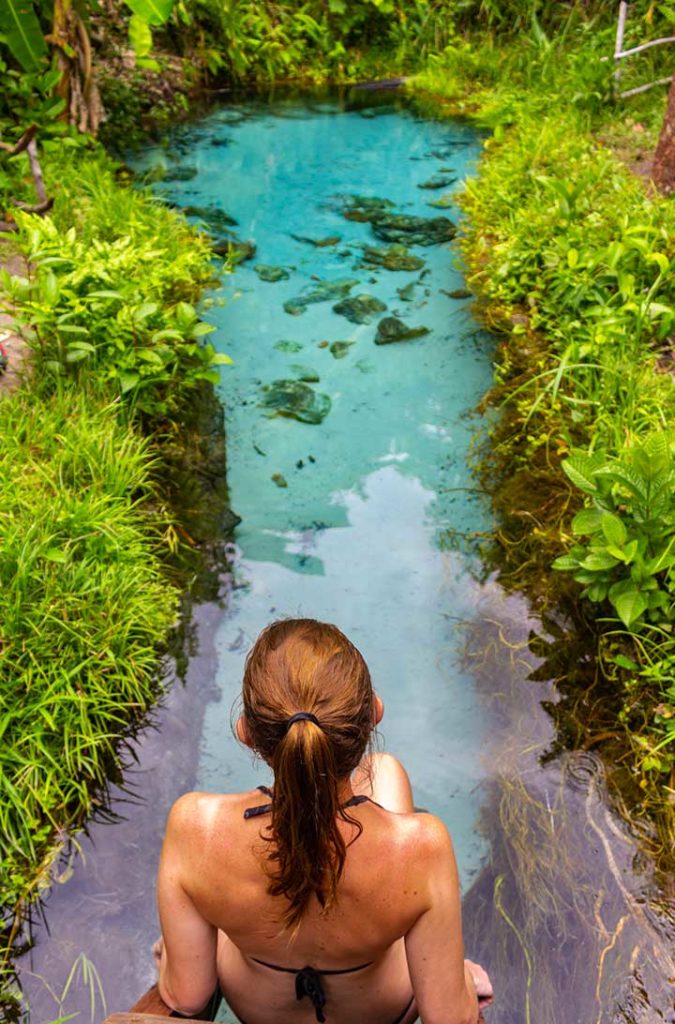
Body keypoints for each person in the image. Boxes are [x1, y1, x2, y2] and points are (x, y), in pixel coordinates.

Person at [155, 618, 493, 1023]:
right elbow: (449, 1019)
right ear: (374, 714)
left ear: (246, 732)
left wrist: (176, 957)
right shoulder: (426, 847)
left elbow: (188, 996)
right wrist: (458, 981)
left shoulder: (194, 827)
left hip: (259, 1010)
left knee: (382, 771)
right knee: (385, 772)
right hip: (379, 1011)